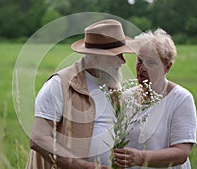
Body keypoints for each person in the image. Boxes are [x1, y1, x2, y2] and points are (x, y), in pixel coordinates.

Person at [26, 19, 136, 169]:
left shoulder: (112, 87)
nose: (123, 61)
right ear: (96, 57)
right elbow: (38, 139)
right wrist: (86, 167)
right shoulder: (59, 84)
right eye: (116, 55)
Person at [113, 29, 197, 169]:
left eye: (151, 63)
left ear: (167, 67)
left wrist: (140, 158)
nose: (142, 68)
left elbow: (181, 153)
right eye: (140, 60)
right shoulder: (125, 97)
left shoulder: (181, 99)